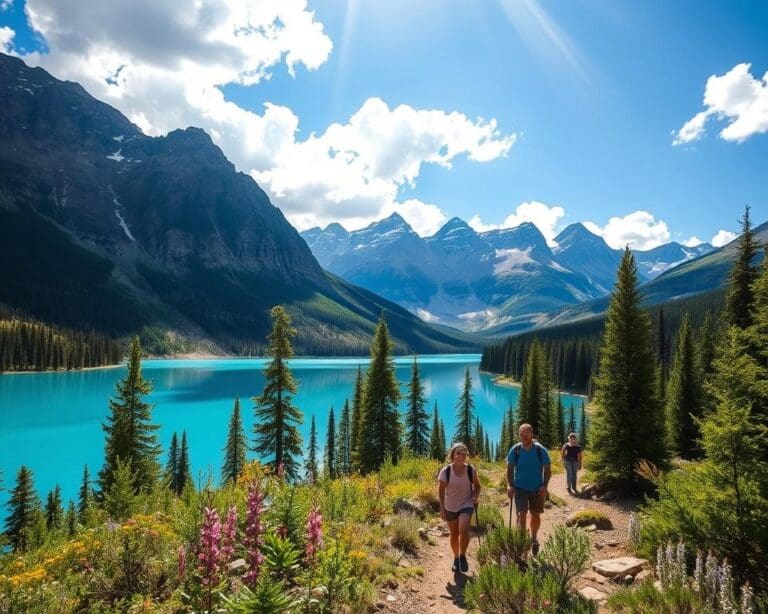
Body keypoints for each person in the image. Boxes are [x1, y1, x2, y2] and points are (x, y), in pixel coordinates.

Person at [506, 423, 551, 556]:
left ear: (531, 434)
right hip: (519, 488)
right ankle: (521, 542)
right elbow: (509, 470)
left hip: (537, 489)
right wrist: (510, 485)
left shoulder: (540, 450)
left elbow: (548, 470)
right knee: (521, 514)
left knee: (535, 514)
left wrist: (545, 485)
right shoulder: (515, 450)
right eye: (521, 434)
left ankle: (533, 538)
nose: (523, 437)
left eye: (526, 434)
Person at [438, 442, 481, 573]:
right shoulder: (446, 471)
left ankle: (462, 556)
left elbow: (478, 486)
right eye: (458, 453)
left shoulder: (470, 470)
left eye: (463, 454)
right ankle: (456, 558)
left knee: (463, 531)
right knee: (454, 534)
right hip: (450, 506)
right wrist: (441, 508)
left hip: (466, 504)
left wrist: (475, 496)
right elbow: (440, 491)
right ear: (452, 455)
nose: (460, 456)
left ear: (466, 456)